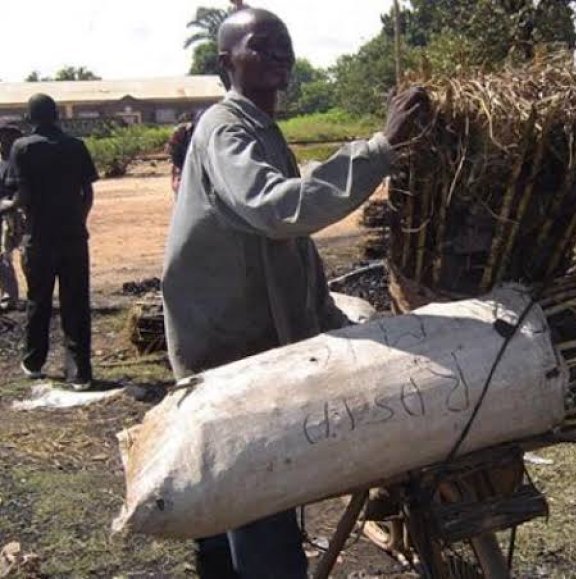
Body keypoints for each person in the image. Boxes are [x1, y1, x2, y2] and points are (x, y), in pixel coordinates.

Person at [161, 8, 427, 578]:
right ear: (224, 62)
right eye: (262, 45)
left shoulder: (259, 127)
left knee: (233, 499)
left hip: (250, 338)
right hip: (228, 348)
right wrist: (378, 150)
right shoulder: (227, 128)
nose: (280, 53)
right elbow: (280, 209)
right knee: (258, 498)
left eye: (284, 43)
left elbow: (287, 259)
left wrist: (332, 325)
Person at [0, 94, 98, 389]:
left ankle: (33, 362)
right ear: (56, 116)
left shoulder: (22, 148)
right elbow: (87, 193)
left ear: (30, 119)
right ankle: (79, 372)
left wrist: (8, 206)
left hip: (39, 237)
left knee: (38, 301)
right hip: (73, 237)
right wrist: (79, 220)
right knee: (76, 304)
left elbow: (22, 196)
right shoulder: (75, 146)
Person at [0, 123, 23, 311]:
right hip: (3, 215)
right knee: (3, 256)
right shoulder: (1, 165)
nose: (3, 142)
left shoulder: (23, 163)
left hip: (20, 214)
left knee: (27, 256)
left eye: (8, 138)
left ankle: (35, 294)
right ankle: (10, 296)